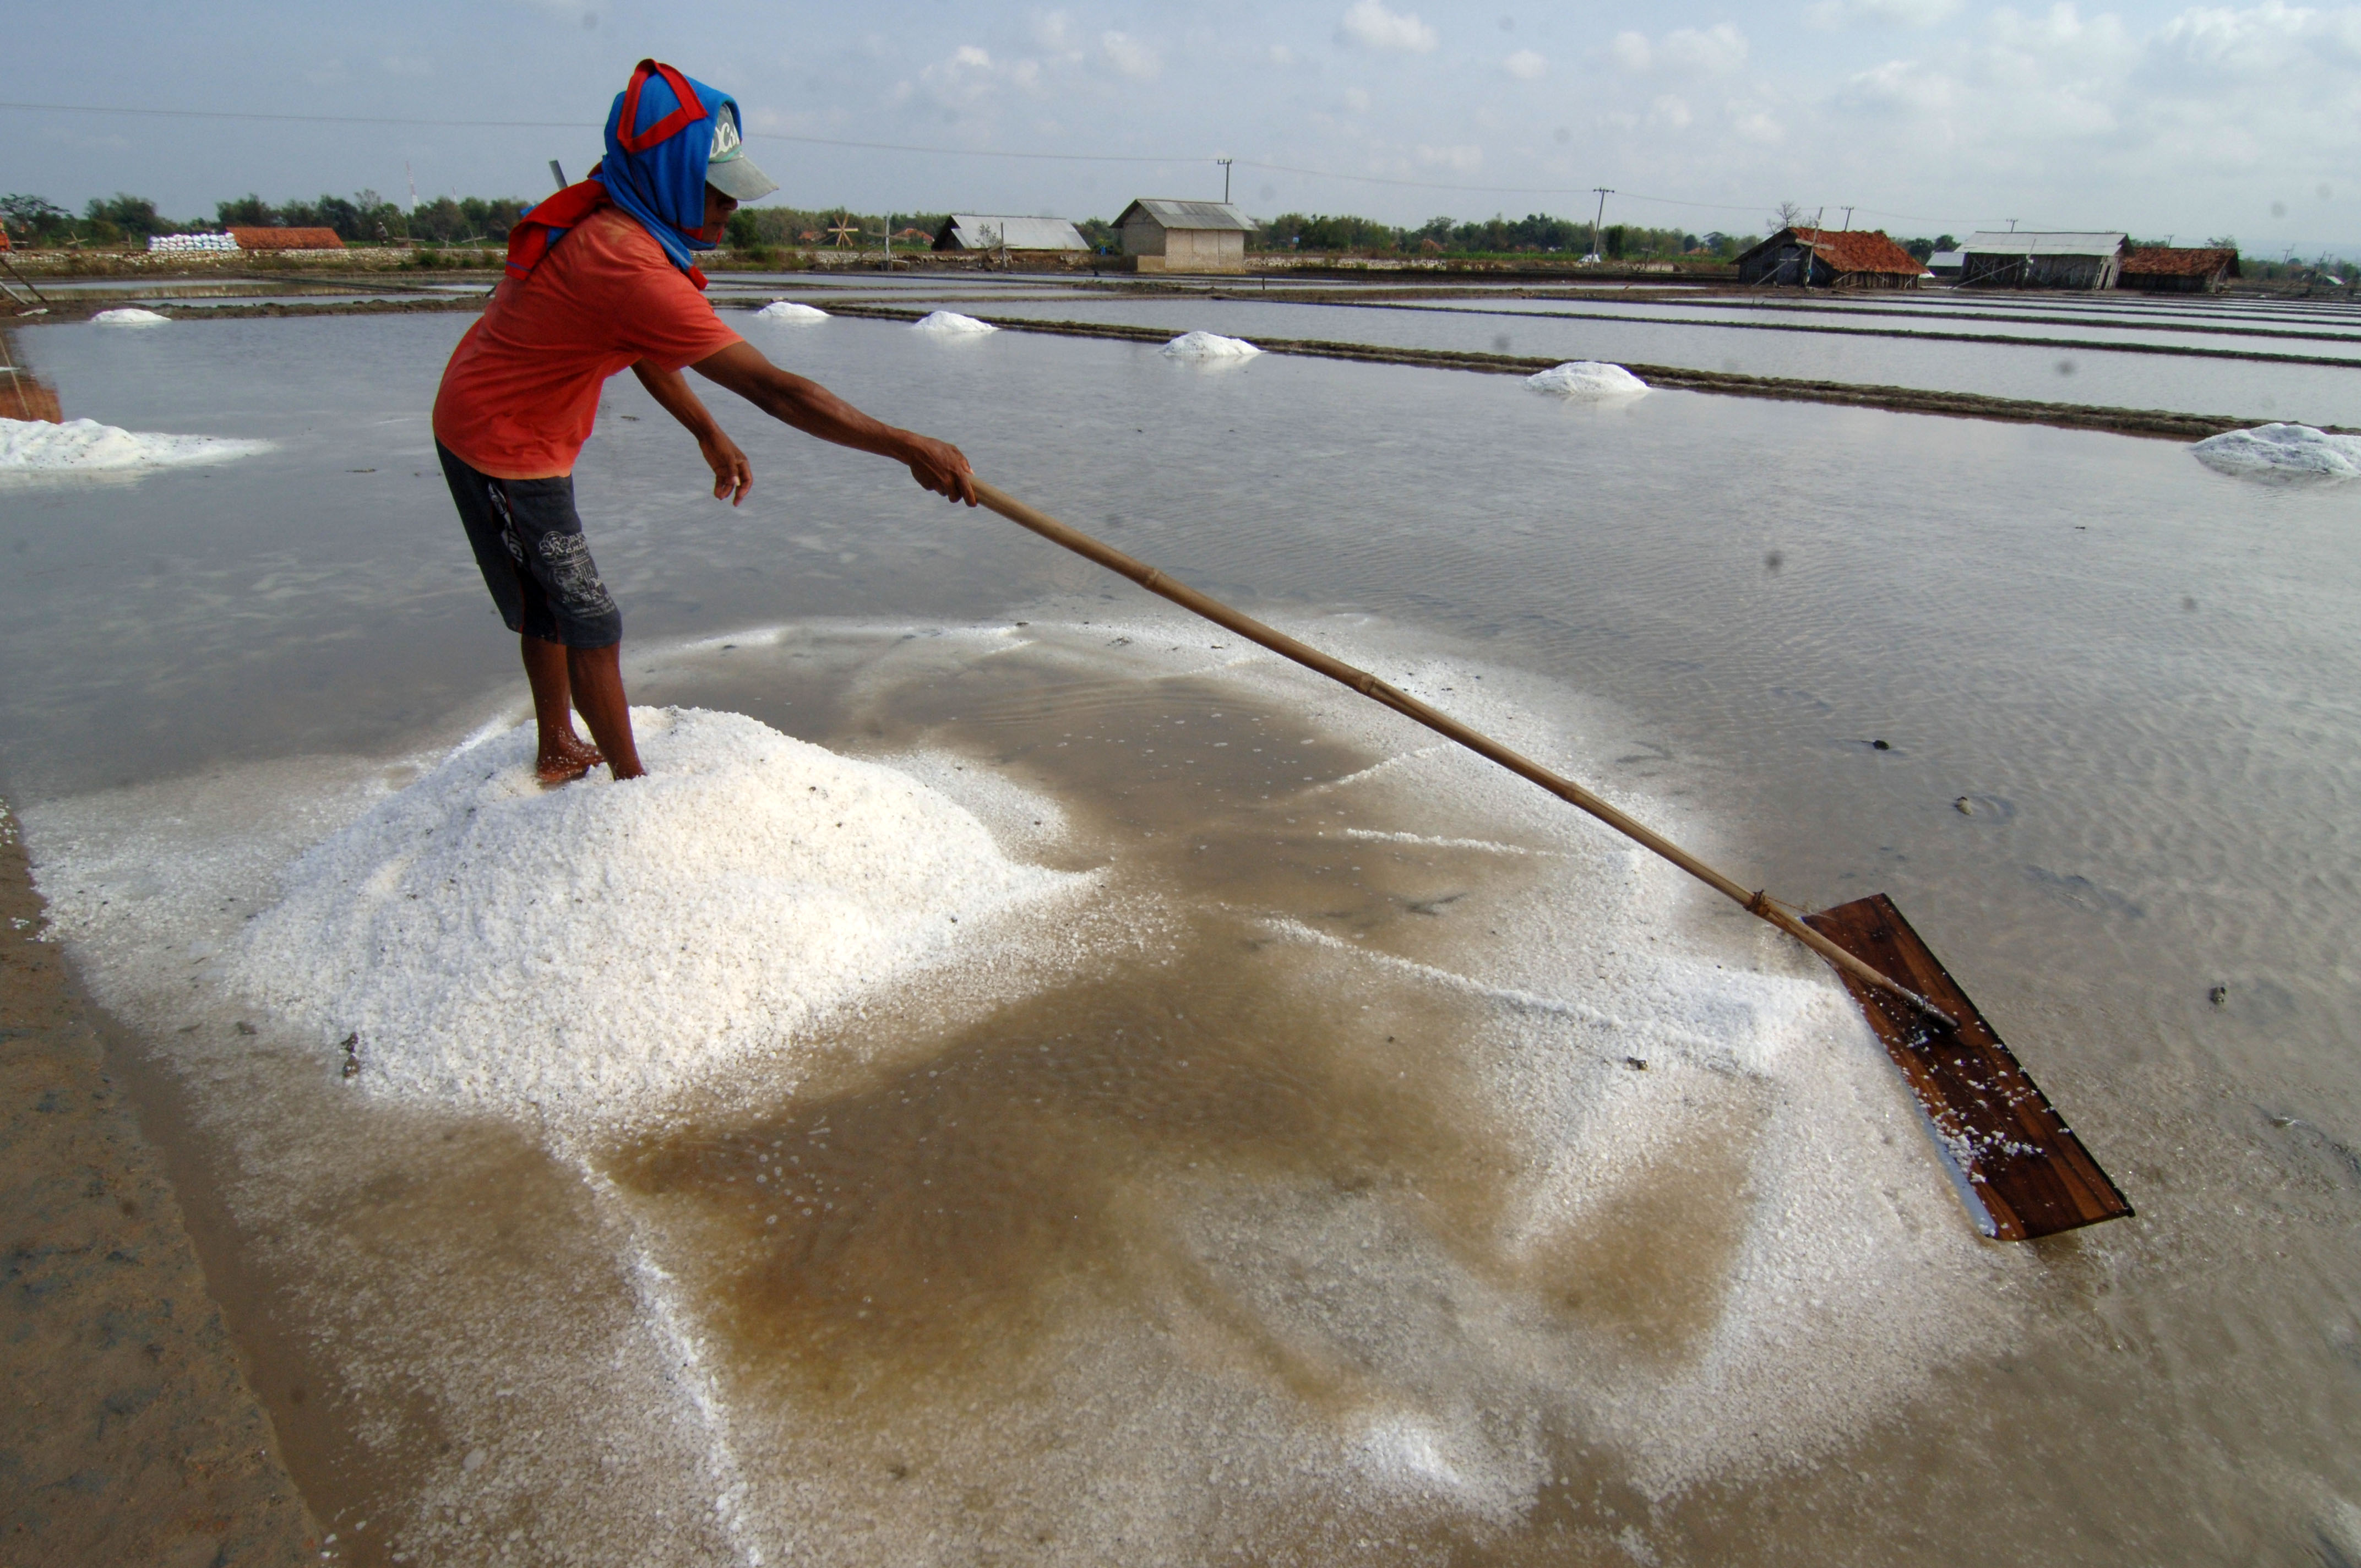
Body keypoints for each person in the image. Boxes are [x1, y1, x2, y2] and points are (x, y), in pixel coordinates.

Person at [432, 58, 976, 785]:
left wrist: (704, 430)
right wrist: (906, 445)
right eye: (719, 194)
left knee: (550, 598)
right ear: (673, 182)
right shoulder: (628, 262)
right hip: (501, 442)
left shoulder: (621, 223)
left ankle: (559, 740)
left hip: (514, 422)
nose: (732, 211)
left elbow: (636, 342)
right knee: (586, 616)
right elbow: (779, 392)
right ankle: (629, 783)